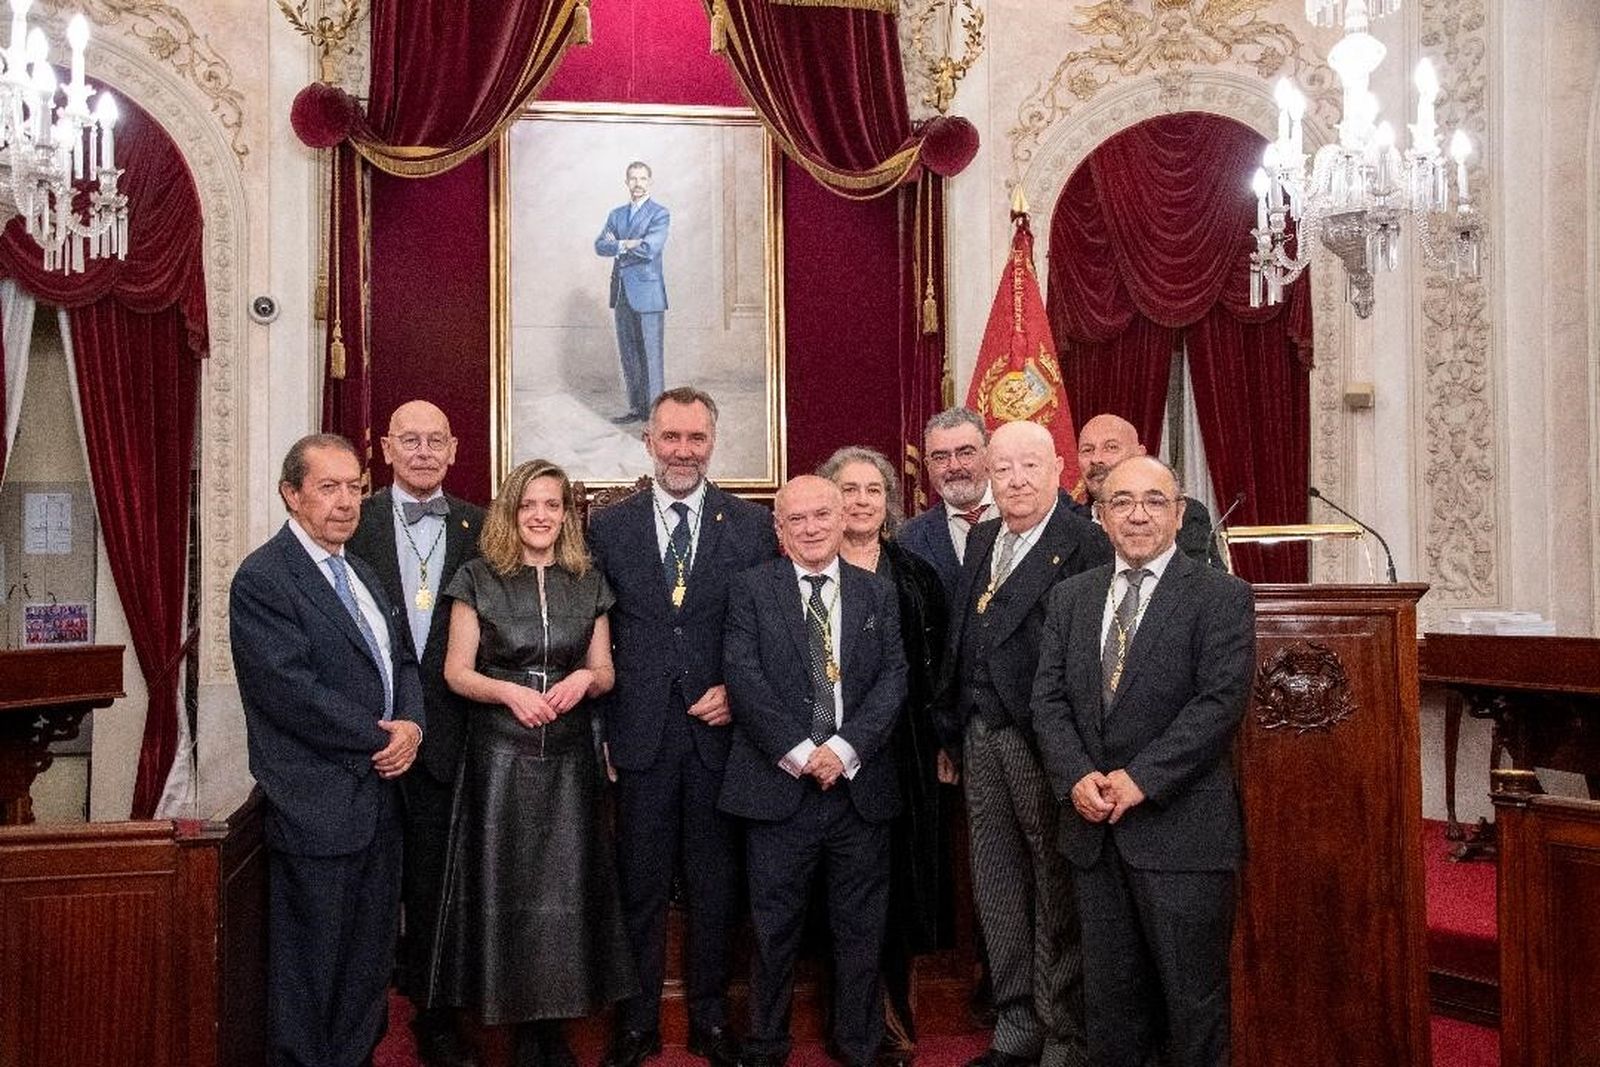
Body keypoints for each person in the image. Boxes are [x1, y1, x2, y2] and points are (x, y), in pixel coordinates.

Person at [1032, 455, 1255, 1067]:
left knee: (1192, 1003)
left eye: (1154, 501)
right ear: (1100, 517)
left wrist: (1142, 780)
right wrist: (1076, 774)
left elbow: (1218, 704)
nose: (1138, 514)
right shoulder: (1070, 597)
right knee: (1109, 1004)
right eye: (1122, 502)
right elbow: (1046, 700)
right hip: (1093, 833)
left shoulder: (1222, 597)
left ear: (1180, 515)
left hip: (1183, 834)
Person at [589, 387, 779, 1067]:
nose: (682, 450)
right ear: (648, 440)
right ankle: (636, 1022)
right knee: (637, 887)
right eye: (670, 436)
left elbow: (769, 629)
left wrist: (739, 690)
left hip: (720, 736)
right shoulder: (607, 528)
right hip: (637, 736)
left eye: (696, 437)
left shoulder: (752, 527)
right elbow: (595, 634)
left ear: (713, 442)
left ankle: (709, 1020)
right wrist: (603, 727)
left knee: (713, 886)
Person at [230, 433, 425, 1067]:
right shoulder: (264, 578)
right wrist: (383, 737)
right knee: (311, 969)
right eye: (328, 488)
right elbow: (292, 692)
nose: (346, 503)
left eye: (355, 488)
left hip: (379, 801)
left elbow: (400, 660)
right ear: (291, 494)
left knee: (367, 965)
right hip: (317, 806)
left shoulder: (361, 569)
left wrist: (413, 726)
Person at [431, 459, 635, 1067]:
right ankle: (518, 1031)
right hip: (501, 758)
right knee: (508, 894)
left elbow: (605, 671)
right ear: (510, 512)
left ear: (565, 515)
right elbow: (456, 672)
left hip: (570, 759)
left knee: (567, 896)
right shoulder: (477, 577)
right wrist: (510, 692)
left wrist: (583, 681)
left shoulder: (588, 579)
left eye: (552, 505)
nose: (540, 516)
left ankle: (555, 1032)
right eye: (528, 506)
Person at [932, 419, 1111, 1067]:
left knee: (1054, 886)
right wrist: (950, 726)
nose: (1014, 479)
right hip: (980, 735)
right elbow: (962, 639)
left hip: (1046, 742)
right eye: (1001, 467)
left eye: (1028, 466)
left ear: (1058, 468)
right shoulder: (983, 534)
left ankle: (1062, 1036)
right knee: (997, 881)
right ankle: (1016, 1027)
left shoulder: (1085, 542)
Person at [720, 475, 909, 1067]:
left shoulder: (876, 592)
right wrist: (804, 753)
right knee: (773, 930)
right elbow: (743, 678)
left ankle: (856, 1045)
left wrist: (845, 749)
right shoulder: (751, 589)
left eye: (821, 514)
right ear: (779, 528)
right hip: (779, 789)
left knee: (860, 930)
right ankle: (766, 1043)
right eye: (796, 518)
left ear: (841, 517)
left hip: (860, 788)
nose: (811, 527)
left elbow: (894, 680)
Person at [346, 400, 483, 1067]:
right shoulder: (351, 520)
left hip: (451, 738)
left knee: (436, 887)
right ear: (386, 447)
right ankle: (360, 1022)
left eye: (436, 440)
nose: (424, 450)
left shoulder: (481, 527)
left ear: (454, 449)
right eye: (411, 440)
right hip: (366, 736)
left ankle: (436, 1019)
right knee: (369, 888)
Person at [819, 446, 953, 1066]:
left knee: (893, 889)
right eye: (849, 490)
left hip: (900, 755)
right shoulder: (799, 564)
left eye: (874, 490)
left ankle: (889, 1018)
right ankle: (841, 1016)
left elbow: (940, 670)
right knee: (827, 889)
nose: (862, 501)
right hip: (816, 756)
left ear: (889, 502)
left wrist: (943, 741)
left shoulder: (916, 573)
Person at [1074, 413, 1222, 567]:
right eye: (1087, 450)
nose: (1096, 458)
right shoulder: (1071, 524)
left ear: (1139, 454)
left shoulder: (1179, 513)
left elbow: (1199, 583)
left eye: (1111, 447)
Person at [595, 160, 671, 425]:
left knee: (651, 356)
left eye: (642, 179)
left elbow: (650, 248)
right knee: (629, 355)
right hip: (621, 293)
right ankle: (637, 409)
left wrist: (618, 245)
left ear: (649, 182)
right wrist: (628, 244)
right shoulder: (616, 215)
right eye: (633, 179)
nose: (637, 184)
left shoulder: (660, 214)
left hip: (648, 295)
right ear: (626, 182)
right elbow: (599, 246)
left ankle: (656, 416)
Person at [898, 407, 995, 602]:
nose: (954, 466)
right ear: (927, 466)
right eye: (941, 457)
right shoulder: (909, 539)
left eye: (965, 453)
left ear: (987, 455)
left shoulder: (1024, 514)